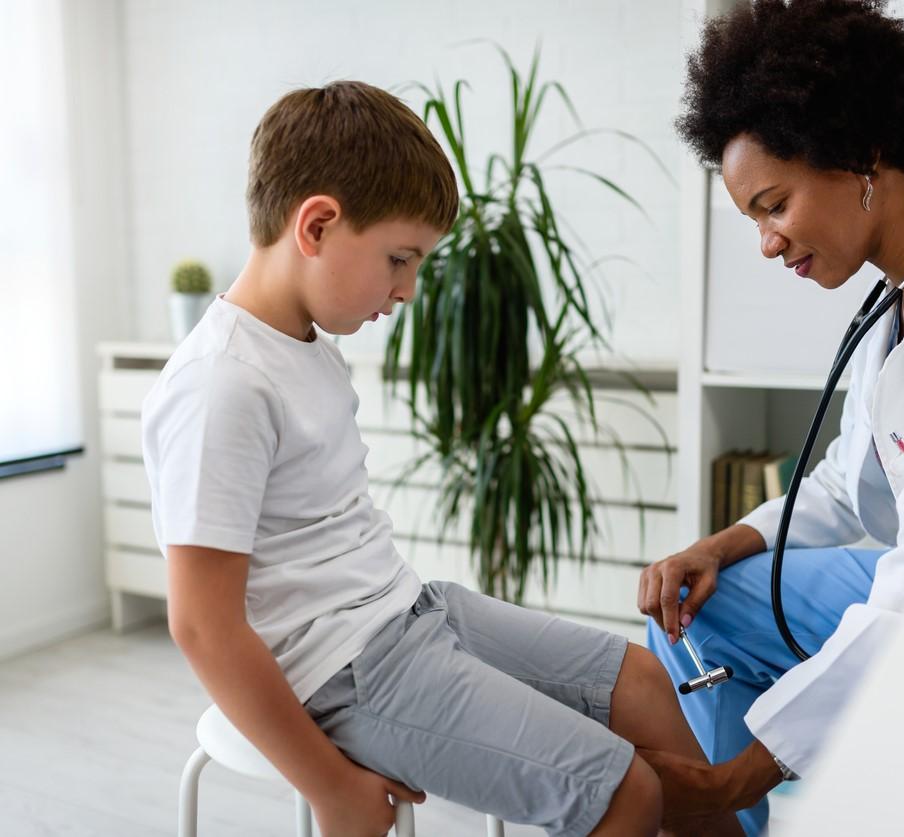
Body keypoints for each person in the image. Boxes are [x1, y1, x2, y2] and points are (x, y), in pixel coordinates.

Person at [142, 80, 742, 837]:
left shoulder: (306, 347)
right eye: (400, 258)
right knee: (626, 794)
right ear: (317, 224)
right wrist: (329, 786)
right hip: (345, 670)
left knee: (649, 685)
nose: (409, 289)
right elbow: (202, 624)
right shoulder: (222, 384)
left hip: (411, 612)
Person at [635, 1, 904, 834]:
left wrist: (735, 777)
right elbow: (847, 478)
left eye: (773, 204)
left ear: (861, 155)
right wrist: (715, 546)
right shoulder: (900, 288)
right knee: (701, 605)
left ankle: (737, 804)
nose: (767, 242)